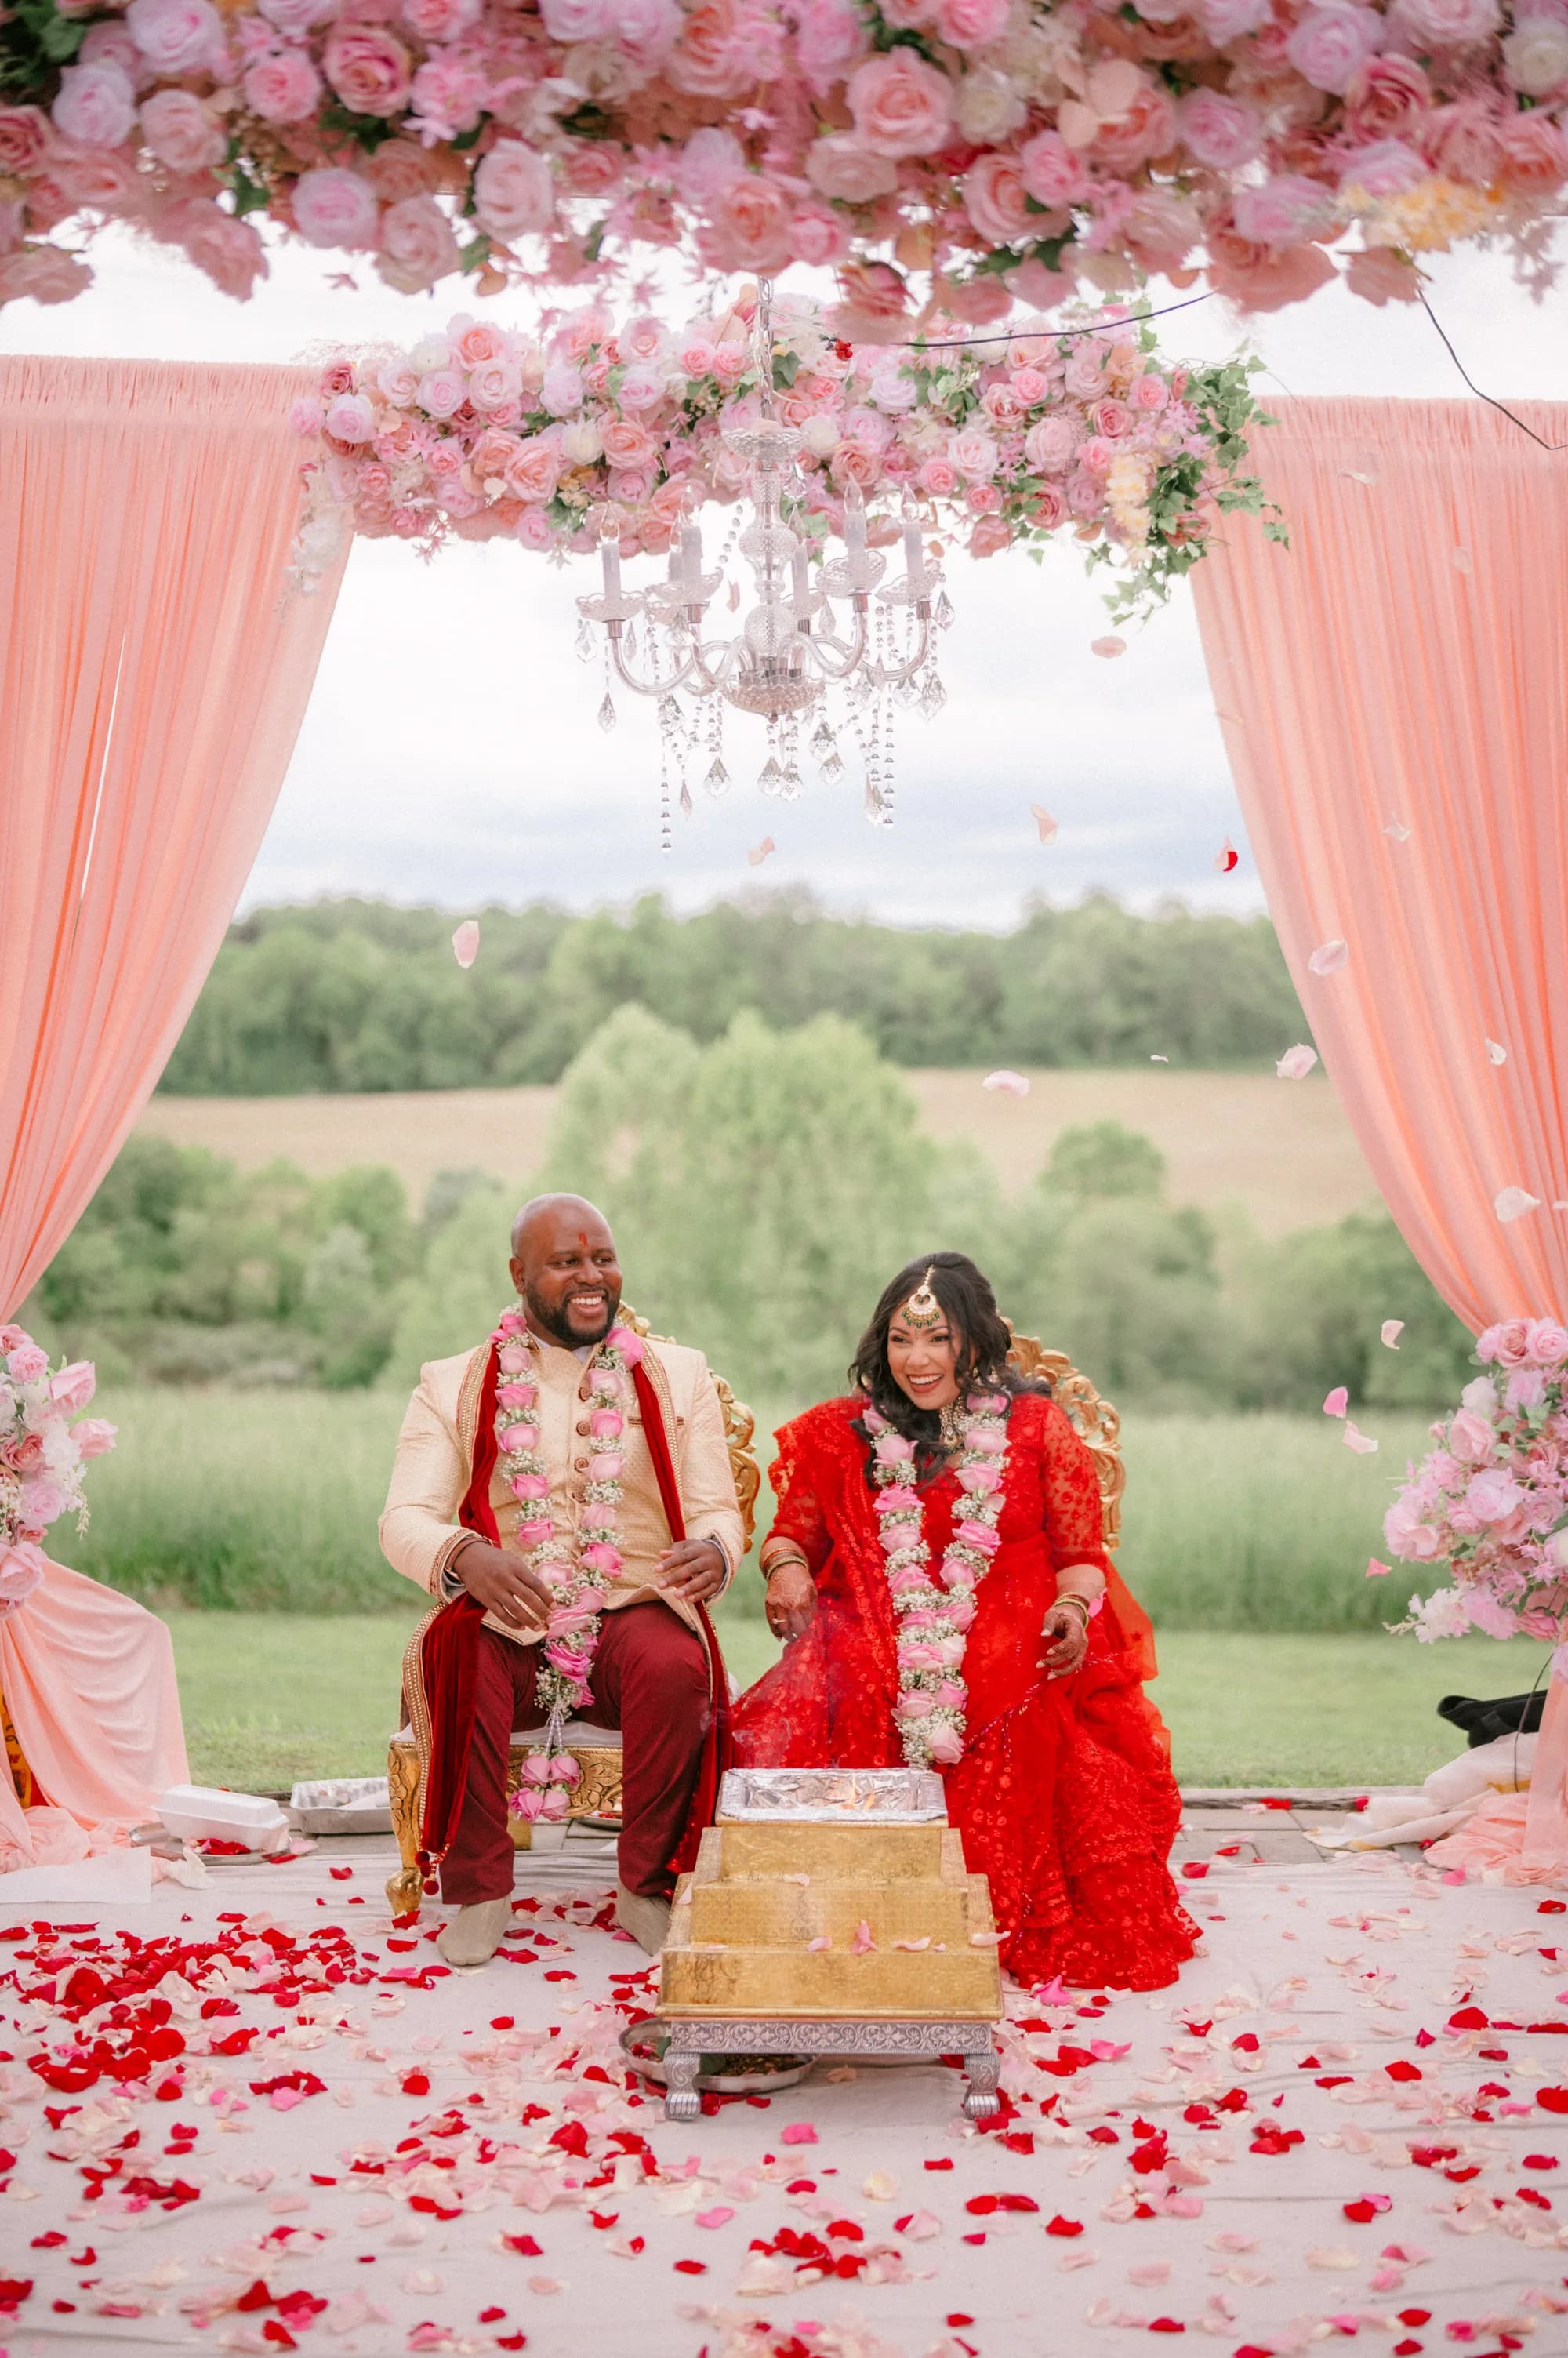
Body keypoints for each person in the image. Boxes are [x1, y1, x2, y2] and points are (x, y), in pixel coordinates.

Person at [732, 1252, 1198, 1991]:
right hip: (877, 1628)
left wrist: (1073, 1610)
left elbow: (1082, 1559)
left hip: (1017, 1625)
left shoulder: (1037, 1427)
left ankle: (971, 1911)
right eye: (900, 1338)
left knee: (1017, 1699)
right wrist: (786, 1569)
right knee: (849, 1681)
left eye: (937, 1338)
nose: (917, 1359)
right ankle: (859, 1901)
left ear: (974, 1343)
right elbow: (794, 1535)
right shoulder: (839, 1432)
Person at [379, 1194, 743, 1967]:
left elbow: (716, 1507)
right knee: (465, 1653)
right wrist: (464, 1555)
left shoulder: (679, 1375)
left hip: (633, 1603)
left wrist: (715, 1549)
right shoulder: (454, 1382)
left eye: (602, 1258)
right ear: (518, 1273)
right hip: (515, 1608)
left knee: (676, 1667)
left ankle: (645, 1883)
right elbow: (403, 1515)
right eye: (566, 1261)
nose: (591, 1276)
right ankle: (478, 1889)